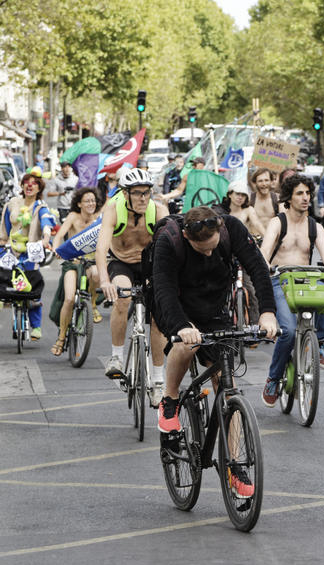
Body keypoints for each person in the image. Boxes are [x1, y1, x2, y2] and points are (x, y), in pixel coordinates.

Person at [152, 206, 278, 497]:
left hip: (213, 305)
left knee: (225, 382)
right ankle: (169, 400)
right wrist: (181, 325)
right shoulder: (169, 241)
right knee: (188, 344)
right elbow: (164, 291)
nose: (208, 254)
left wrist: (268, 313)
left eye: (213, 248)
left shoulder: (231, 228)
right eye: (201, 250)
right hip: (178, 307)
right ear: (187, 236)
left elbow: (258, 268)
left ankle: (235, 463)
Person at [260, 175, 324, 405]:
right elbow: (263, 253)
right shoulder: (277, 223)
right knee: (288, 332)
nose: (306, 198)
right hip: (280, 280)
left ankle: (320, 343)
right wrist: (268, 267)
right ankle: (273, 378)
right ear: (289, 197)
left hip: (305, 280)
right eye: (300, 193)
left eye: (308, 193)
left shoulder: (315, 226)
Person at [96, 168, 169, 406]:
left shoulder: (158, 210)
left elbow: (169, 248)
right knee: (122, 296)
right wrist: (105, 280)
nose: (142, 198)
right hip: (122, 264)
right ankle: (116, 359)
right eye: (137, 193)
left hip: (150, 266)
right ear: (125, 194)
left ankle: (158, 383)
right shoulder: (112, 210)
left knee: (158, 320)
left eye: (146, 193)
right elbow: (101, 249)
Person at [0, 167, 56, 340]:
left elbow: (47, 223)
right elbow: (5, 228)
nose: (29, 186)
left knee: (33, 285)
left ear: (39, 188)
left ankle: (36, 326)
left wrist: (46, 238)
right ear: (22, 185)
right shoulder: (12, 204)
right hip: (11, 249)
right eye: (26, 183)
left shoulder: (41, 207)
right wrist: (2, 242)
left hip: (31, 251)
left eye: (34, 184)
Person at [49, 187, 104, 355]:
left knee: (96, 273)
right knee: (69, 298)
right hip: (73, 263)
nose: (91, 204)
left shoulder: (100, 219)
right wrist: (56, 249)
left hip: (91, 262)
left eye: (93, 200)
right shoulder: (73, 217)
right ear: (79, 203)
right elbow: (59, 236)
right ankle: (61, 337)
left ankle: (93, 304)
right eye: (87, 201)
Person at [221, 179, 266, 326]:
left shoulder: (248, 210)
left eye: (243, 195)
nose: (240, 197)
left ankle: (255, 324)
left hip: (243, 254)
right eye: (237, 194)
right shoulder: (221, 211)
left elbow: (258, 225)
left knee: (252, 290)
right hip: (225, 254)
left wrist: (267, 236)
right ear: (230, 194)